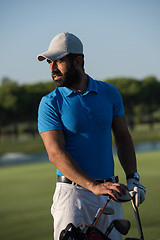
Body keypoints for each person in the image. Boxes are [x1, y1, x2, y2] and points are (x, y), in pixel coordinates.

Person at [37, 32, 146, 240]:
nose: (52, 68)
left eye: (58, 61)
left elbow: (123, 137)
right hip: (72, 196)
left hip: (110, 193)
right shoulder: (50, 103)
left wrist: (133, 177)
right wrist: (93, 186)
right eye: (49, 62)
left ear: (78, 61)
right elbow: (55, 153)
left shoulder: (110, 93)